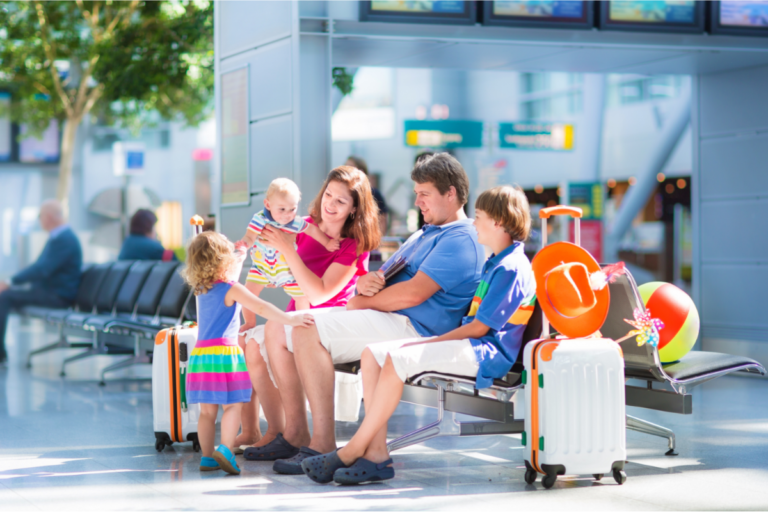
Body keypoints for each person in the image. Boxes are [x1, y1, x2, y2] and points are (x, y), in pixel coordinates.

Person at [300, 185, 536, 484]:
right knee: (373, 354)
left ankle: (354, 450)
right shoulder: (498, 262)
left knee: (400, 356)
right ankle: (375, 455)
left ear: (499, 222)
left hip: (484, 353)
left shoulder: (511, 268)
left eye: (479, 216)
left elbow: (480, 329)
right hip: (470, 344)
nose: (474, 222)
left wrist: (429, 343)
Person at [267, 152, 485, 475]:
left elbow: (413, 293)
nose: (418, 202)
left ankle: (322, 442)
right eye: (417, 195)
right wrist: (364, 285)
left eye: (424, 194)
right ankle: (305, 435)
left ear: (450, 193)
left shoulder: (460, 238)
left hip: (415, 327)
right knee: (285, 327)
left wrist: (361, 301)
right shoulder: (425, 233)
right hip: (393, 318)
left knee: (306, 327)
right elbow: (382, 278)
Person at [237, 166, 381, 461]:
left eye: (341, 201)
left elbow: (319, 294)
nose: (330, 203)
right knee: (253, 341)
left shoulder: (353, 245)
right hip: (297, 314)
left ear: (355, 209)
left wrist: (287, 248)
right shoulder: (300, 223)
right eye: (328, 194)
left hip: (329, 318)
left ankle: (303, 435)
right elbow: (270, 262)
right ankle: (285, 430)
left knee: (276, 330)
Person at [182, 231, 314, 475]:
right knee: (232, 407)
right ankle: (226, 450)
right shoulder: (232, 288)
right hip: (224, 355)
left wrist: (241, 255)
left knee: (207, 412)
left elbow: (226, 275)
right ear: (225, 261)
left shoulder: (201, 290)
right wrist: (290, 319)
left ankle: (208, 457)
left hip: (201, 357)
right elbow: (261, 306)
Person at [236, 178, 340, 316]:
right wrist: (244, 245)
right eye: (282, 209)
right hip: (261, 268)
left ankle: (303, 321)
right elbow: (250, 237)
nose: (287, 214)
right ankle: (249, 323)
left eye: (292, 209)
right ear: (268, 204)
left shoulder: (295, 222)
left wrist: (327, 242)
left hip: (288, 272)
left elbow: (313, 230)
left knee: (302, 298)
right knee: (248, 294)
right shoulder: (260, 219)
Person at [0, 199, 82, 364]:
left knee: (4, 296)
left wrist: (11, 281)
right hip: (49, 292)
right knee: (5, 296)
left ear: (49, 217)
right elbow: (41, 268)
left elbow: (42, 269)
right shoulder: (59, 237)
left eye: (40, 216)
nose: (39, 220)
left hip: (57, 296)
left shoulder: (64, 239)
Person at [345, 156, 388, 236]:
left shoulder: (374, 194)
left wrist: (378, 241)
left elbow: (382, 220)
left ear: (361, 172)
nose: (346, 172)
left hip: (368, 241)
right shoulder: (342, 194)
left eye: (350, 168)